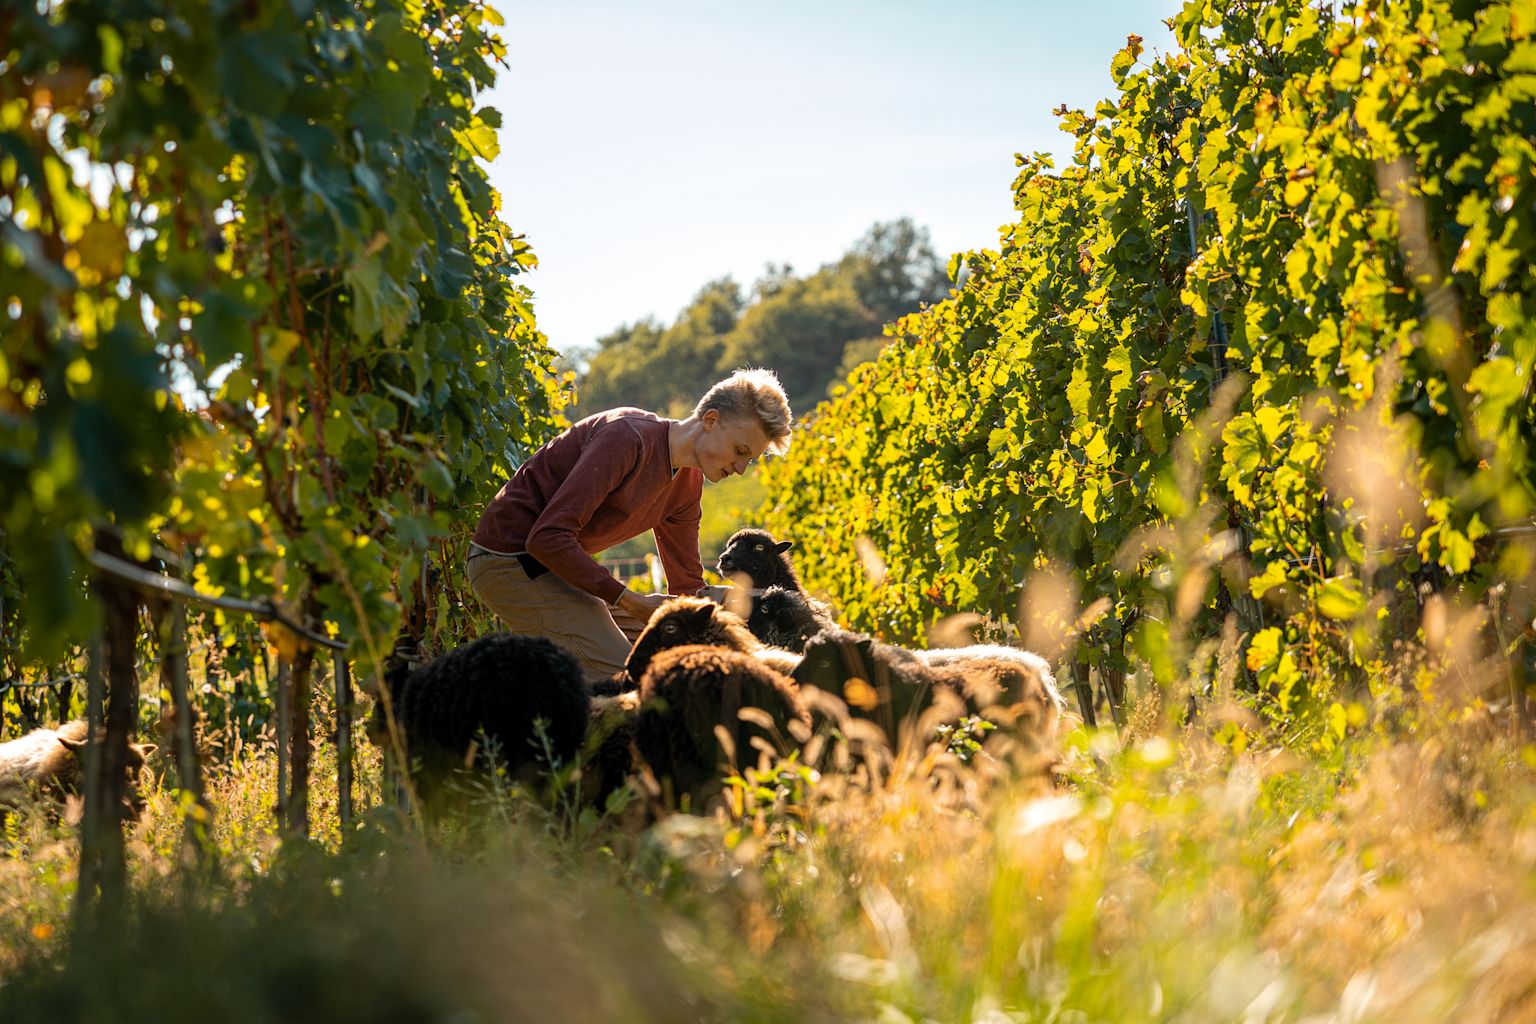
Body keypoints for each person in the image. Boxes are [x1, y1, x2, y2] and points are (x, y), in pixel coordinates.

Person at [466, 368, 793, 682]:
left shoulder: (688, 484)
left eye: (749, 459)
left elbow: (686, 586)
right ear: (711, 420)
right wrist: (631, 601)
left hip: (558, 568)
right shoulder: (626, 437)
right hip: (509, 560)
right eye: (740, 451)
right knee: (629, 677)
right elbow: (546, 538)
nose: (740, 468)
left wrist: (742, 606)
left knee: (667, 654)